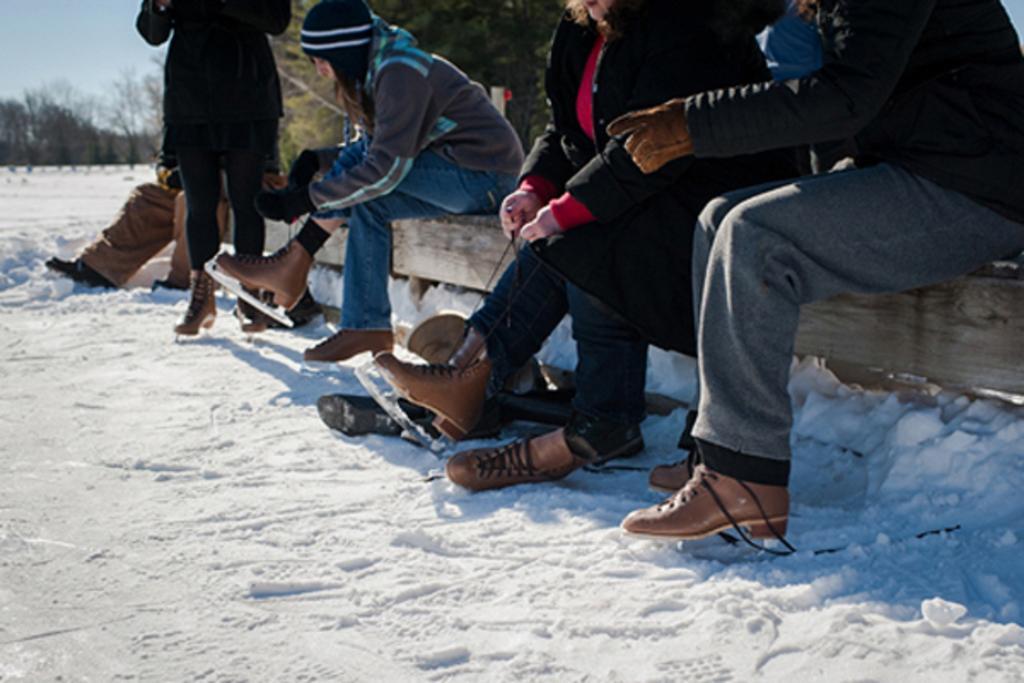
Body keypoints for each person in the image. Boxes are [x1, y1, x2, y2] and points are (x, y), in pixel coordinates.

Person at [608, 0, 1024, 543]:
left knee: (756, 234)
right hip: (925, 161)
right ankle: (715, 451)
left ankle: (745, 479)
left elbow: (846, 97)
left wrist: (694, 120)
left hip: (981, 185)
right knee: (717, 219)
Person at [373, 0, 798, 492]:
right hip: (638, 189)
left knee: (584, 237)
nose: (589, 3)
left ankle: (601, 420)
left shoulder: (684, 22)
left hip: (717, 199)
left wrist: (569, 209)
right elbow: (565, 131)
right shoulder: (579, 28)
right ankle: (469, 377)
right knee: (566, 231)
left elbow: (655, 149)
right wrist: (534, 188)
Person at [213, 0, 523, 362]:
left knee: (368, 181)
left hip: (483, 175)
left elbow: (383, 169)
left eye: (320, 59)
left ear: (342, 52)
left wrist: (306, 200)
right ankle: (366, 327)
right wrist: (317, 160)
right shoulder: (378, 71)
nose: (318, 69)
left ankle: (293, 262)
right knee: (369, 205)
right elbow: (374, 148)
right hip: (454, 172)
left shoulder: (399, 72)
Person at [136, 0, 291, 335]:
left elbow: (277, 19)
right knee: (199, 203)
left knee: (247, 201)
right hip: (190, 96)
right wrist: (160, 6)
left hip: (247, 92)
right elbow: (152, 34)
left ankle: (248, 295)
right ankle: (201, 297)